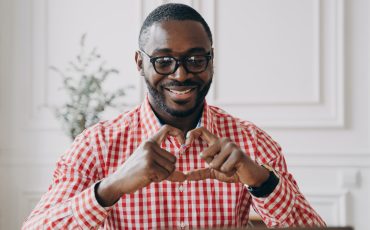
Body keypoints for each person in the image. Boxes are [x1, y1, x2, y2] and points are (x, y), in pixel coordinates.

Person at [23, 3, 326, 229]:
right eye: (164, 61)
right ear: (139, 62)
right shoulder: (96, 146)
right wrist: (111, 187)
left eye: (195, 59)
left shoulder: (252, 143)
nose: (181, 75)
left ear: (211, 60)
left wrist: (261, 181)